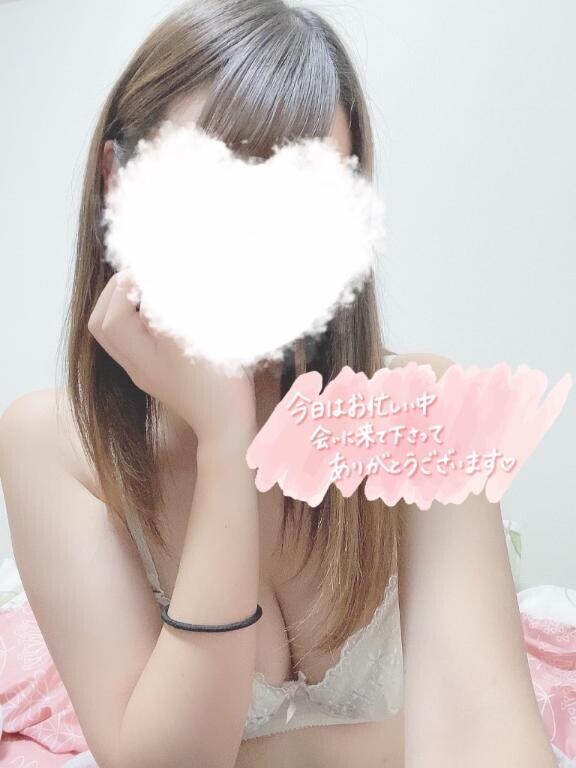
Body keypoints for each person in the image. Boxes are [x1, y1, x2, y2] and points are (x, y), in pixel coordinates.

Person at [0, 1, 559, 766]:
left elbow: (489, 742)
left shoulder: (426, 410)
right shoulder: (56, 447)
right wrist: (227, 444)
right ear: (117, 180)